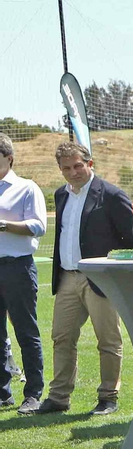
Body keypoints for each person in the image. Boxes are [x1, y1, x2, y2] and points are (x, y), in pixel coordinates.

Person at [36, 141, 133, 415]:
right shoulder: (61, 195)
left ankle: (108, 397)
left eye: (78, 166)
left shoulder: (111, 194)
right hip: (67, 279)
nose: (73, 172)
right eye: (66, 168)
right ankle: (59, 398)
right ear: (60, 170)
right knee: (61, 339)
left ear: (90, 163)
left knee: (108, 341)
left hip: (100, 279)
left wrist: (108, 268)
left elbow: (131, 241)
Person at [0, 133, 47, 413]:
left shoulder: (27, 188)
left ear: (9, 158)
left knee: (26, 332)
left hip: (17, 266)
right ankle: (3, 392)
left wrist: (4, 225)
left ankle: (33, 394)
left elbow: (38, 225)